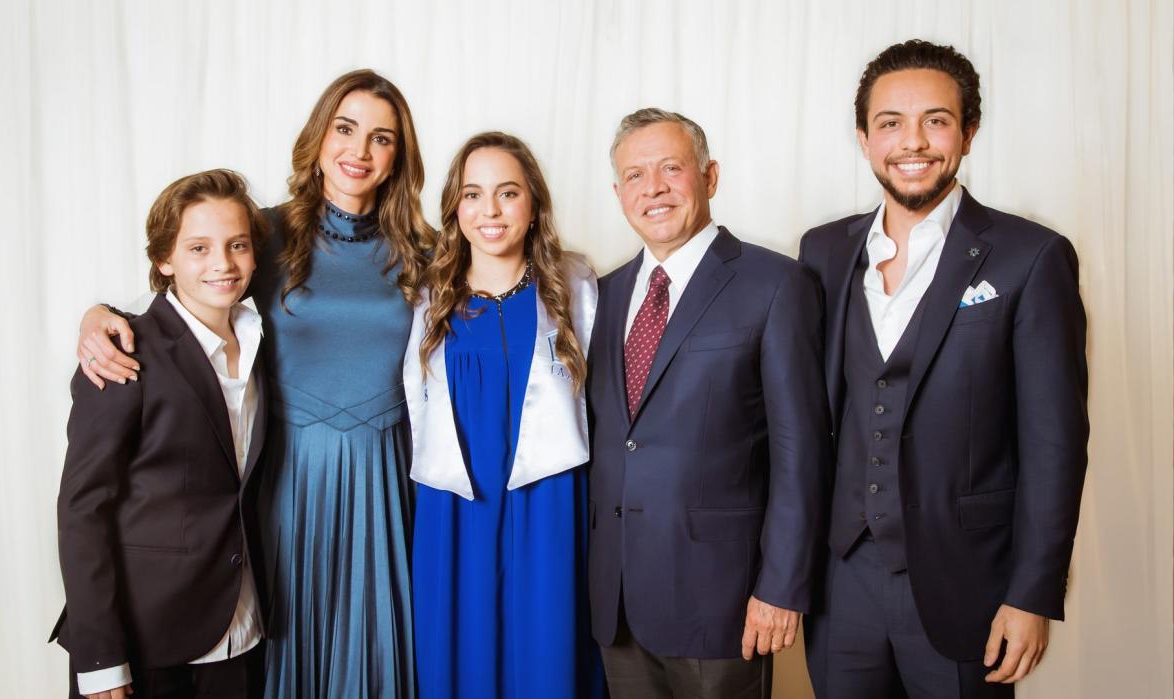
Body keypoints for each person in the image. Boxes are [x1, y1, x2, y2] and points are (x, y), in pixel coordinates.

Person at [73, 70, 435, 698]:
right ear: (319, 137)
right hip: (286, 484)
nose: (359, 150)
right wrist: (100, 316)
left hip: (383, 481)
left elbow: (507, 277)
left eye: (382, 138)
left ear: (399, 156)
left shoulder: (426, 251)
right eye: (345, 129)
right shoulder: (264, 234)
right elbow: (186, 290)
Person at [799, 39, 1090, 698]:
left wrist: (1033, 592)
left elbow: (1055, 444)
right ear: (864, 138)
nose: (914, 142)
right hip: (840, 585)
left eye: (936, 120)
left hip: (968, 584)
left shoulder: (1031, 256)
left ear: (969, 131)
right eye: (890, 123)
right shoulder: (821, 250)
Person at [586, 108, 832, 699]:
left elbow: (802, 452)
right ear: (618, 193)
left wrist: (781, 587)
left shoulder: (775, 284)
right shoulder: (604, 293)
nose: (655, 189)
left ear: (710, 176)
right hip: (617, 599)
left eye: (672, 168)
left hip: (723, 600)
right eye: (636, 176)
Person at [52, 169, 270, 699]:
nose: (222, 262)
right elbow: (83, 509)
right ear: (164, 260)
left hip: (242, 632)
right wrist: (100, 659)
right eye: (199, 247)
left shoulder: (264, 344)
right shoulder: (122, 354)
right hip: (147, 643)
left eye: (237, 244)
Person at [403, 131, 604, 698]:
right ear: (455, 207)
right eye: (472, 194)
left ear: (534, 204)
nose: (489, 210)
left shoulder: (576, 287)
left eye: (508, 193)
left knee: (548, 649)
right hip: (455, 504)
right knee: (459, 651)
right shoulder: (426, 297)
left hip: (550, 500)